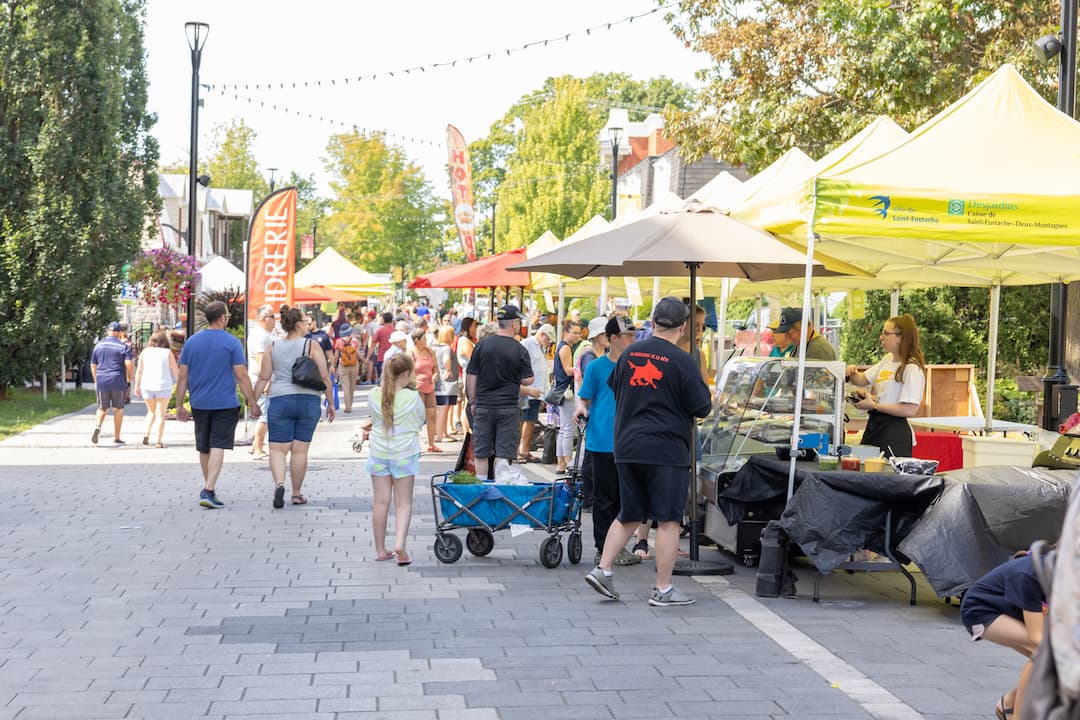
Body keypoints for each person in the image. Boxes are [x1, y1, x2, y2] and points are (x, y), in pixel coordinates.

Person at [584, 296, 712, 607]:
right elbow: (702, 407)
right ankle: (663, 589)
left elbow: (617, 386)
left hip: (626, 446)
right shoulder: (684, 361)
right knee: (668, 519)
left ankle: (603, 569)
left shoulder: (629, 355)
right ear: (682, 328)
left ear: (652, 323)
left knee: (629, 512)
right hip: (665, 448)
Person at [175, 301, 261, 509]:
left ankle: (209, 487)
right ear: (222, 317)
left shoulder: (192, 342)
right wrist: (252, 401)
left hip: (199, 402)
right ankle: (209, 489)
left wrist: (179, 404)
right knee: (218, 444)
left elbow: (182, 375)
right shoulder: (231, 343)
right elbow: (241, 375)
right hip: (225, 402)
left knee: (204, 447)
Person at [575, 316, 642, 567]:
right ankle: (603, 548)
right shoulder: (596, 367)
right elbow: (584, 398)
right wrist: (580, 409)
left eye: (634, 336)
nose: (632, 340)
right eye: (627, 335)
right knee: (605, 499)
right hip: (602, 440)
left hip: (631, 441)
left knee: (626, 498)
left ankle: (617, 547)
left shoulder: (636, 365)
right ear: (612, 338)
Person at [254, 305, 335, 508]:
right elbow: (325, 376)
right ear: (298, 324)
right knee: (300, 451)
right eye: (305, 322)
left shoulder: (273, 346)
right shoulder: (311, 346)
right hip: (308, 401)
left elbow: (264, 377)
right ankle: (297, 493)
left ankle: (279, 484)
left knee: (277, 449)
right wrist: (330, 402)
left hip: (281, 400)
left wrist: (253, 401)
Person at [960, 551, 1047, 720]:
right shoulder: (1031, 574)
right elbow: (1037, 636)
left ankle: (1009, 703)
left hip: (1013, 612)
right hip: (981, 610)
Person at [366, 353, 426, 565]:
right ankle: (400, 544)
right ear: (407, 374)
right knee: (403, 503)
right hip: (404, 454)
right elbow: (421, 420)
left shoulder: (374, 394)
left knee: (380, 502)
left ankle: (381, 550)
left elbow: (373, 420)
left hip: (379, 453)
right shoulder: (412, 398)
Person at [465, 305, 535, 482]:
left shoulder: (482, 345)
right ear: (514, 324)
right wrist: (514, 375)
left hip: (483, 406)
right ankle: (500, 489)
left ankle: (481, 487)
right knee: (503, 452)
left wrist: (472, 402)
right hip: (508, 408)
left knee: (481, 451)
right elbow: (528, 380)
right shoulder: (520, 349)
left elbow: (471, 376)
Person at [845, 314, 926, 457]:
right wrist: (852, 372)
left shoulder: (912, 367)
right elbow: (862, 379)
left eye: (886, 333)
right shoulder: (887, 359)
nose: (881, 338)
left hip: (895, 432)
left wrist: (874, 405)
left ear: (901, 338)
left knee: (888, 477)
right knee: (865, 470)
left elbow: (909, 409)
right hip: (875, 426)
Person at [575, 317, 610, 505]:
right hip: (592, 408)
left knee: (590, 453)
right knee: (590, 454)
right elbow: (590, 386)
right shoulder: (590, 357)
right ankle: (588, 494)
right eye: (604, 334)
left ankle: (589, 493)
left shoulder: (598, 355)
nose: (607, 338)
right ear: (595, 336)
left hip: (595, 408)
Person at [90, 321, 133, 445]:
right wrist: (130, 376)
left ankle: (98, 426)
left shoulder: (98, 345)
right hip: (118, 379)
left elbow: (93, 365)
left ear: (108, 331)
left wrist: (95, 379)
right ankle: (117, 436)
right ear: (119, 333)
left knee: (102, 407)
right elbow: (128, 363)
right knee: (118, 409)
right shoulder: (123, 346)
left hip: (101, 378)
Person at [133, 331, 178, 448]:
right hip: (163, 386)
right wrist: (180, 383)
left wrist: (136, 386)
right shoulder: (167, 353)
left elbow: (139, 370)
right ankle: (158, 441)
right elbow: (175, 371)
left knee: (151, 412)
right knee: (161, 414)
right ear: (164, 342)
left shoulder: (145, 352)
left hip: (147, 386)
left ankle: (146, 434)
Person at [518, 323, 555, 463]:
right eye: (548, 338)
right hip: (527, 390)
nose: (548, 342)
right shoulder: (527, 343)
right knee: (522, 420)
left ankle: (524, 450)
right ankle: (518, 450)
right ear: (542, 334)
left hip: (537, 391)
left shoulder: (541, 348)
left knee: (531, 421)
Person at [552, 320, 583, 473]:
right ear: (566, 332)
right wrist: (582, 366)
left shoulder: (563, 347)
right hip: (567, 391)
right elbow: (568, 370)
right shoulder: (565, 348)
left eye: (579, 332)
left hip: (563, 390)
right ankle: (567, 461)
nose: (578, 335)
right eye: (575, 332)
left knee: (564, 428)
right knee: (568, 429)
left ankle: (561, 462)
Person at [247, 305, 277, 459]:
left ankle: (255, 446)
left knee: (264, 413)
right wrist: (267, 380)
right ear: (265, 319)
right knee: (264, 416)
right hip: (261, 379)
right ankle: (258, 448)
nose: (275, 320)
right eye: (273, 317)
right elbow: (260, 358)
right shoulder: (262, 336)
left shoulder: (261, 333)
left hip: (260, 378)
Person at [410, 327, 441, 453]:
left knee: (432, 415)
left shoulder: (430, 352)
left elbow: (436, 368)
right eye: (424, 338)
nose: (426, 340)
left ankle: (431, 444)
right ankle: (414, 444)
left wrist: (435, 375)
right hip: (417, 388)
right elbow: (409, 371)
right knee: (417, 417)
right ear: (417, 340)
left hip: (430, 387)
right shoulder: (411, 353)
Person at [432, 325, 461, 443]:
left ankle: (443, 432)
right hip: (446, 383)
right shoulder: (446, 349)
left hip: (440, 383)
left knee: (444, 409)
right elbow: (446, 360)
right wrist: (448, 370)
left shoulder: (436, 347)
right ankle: (440, 434)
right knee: (444, 409)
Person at [455, 317, 478, 434]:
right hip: (470, 377)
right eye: (474, 326)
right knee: (468, 404)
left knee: (467, 403)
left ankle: (468, 431)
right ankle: (467, 431)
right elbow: (474, 359)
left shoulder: (467, 340)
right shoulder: (464, 341)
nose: (476, 329)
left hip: (470, 376)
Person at [335, 323, 361, 413]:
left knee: (345, 386)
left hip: (343, 365)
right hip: (354, 365)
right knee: (352, 386)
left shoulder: (339, 341)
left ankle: (348, 406)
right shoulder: (355, 341)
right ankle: (350, 403)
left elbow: (336, 355)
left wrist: (333, 365)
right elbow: (358, 353)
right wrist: (364, 360)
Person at [369, 311, 395, 381]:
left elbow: (372, 345)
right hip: (394, 358)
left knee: (383, 380)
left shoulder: (380, 331)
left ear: (383, 320)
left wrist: (368, 357)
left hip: (382, 358)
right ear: (392, 320)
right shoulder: (395, 331)